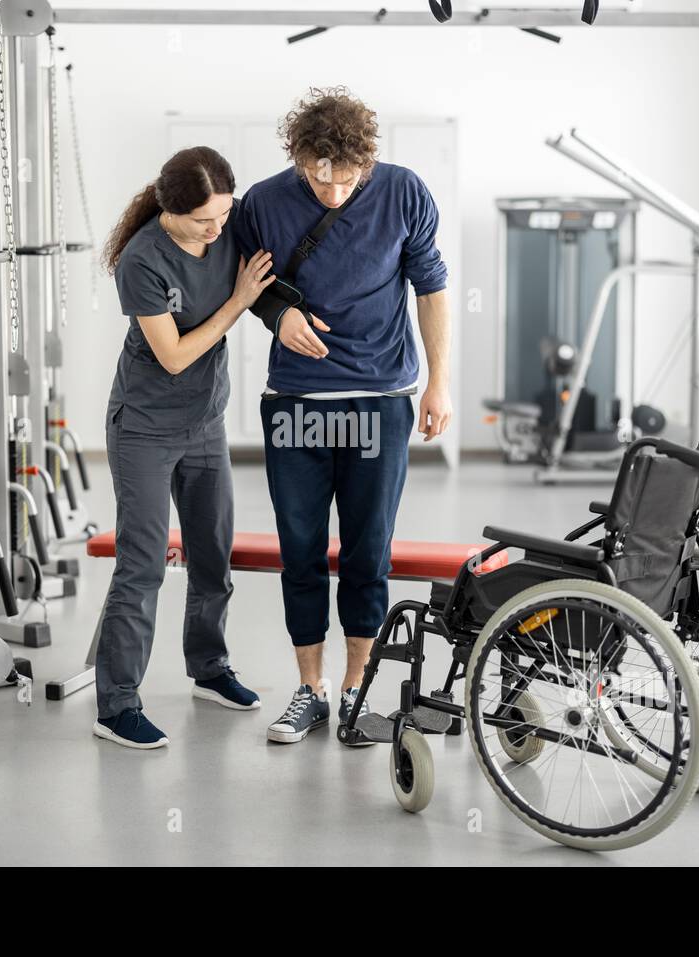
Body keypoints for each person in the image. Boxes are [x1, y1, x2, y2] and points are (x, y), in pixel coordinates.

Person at [232, 88, 452, 744]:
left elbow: (432, 285)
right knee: (299, 549)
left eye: (345, 179)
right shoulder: (264, 204)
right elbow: (250, 288)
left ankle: (356, 688)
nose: (330, 192)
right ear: (298, 158)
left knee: (367, 549)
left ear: (368, 162)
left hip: (380, 399)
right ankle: (310, 689)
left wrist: (438, 383)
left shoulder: (404, 193)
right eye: (317, 176)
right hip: (296, 401)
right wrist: (280, 315)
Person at [92, 146, 275, 750]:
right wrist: (237, 303)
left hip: (205, 423)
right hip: (143, 425)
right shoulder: (142, 260)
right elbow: (173, 356)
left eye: (224, 215)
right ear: (171, 211)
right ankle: (116, 705)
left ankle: (210, 669)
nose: (219, 229)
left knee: (212, 554)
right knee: (142, 566)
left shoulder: (228, 225)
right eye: (205, 220)